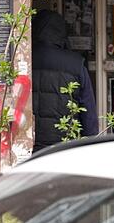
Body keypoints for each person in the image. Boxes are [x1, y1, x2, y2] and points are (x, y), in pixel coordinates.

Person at [32, 9, 99, 153]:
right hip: (65, 145)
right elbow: (88, 113)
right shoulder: (75, 63)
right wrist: (91, 144)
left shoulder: (24, 61)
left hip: (31, 145)